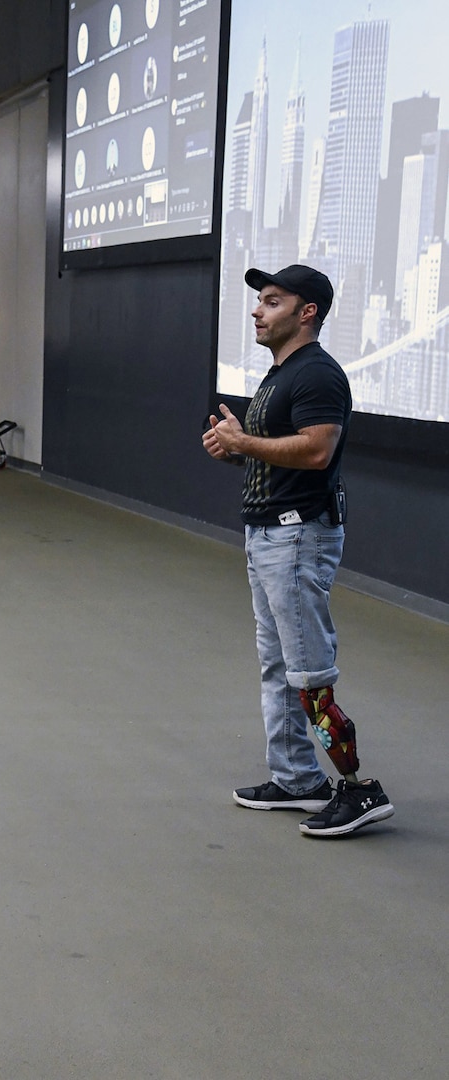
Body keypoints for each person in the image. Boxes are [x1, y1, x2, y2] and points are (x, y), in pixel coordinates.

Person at [204, 264, 394, 838]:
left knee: (309, 672)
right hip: (267, 534)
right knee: (279, 667)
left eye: (272, 301)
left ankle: (360, 790)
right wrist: (237, 448)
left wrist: (244, 442)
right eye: (260, 302)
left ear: (306, 312)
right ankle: (297, 780)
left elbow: (315, 452)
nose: (258, 312)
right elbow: (279, 448)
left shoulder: (318, 376)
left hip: (297, 536)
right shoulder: (279, 374)